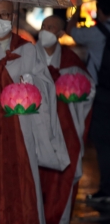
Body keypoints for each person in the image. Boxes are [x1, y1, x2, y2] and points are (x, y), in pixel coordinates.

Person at [0, 0, 69, 224]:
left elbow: (47, 86)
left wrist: (34, 84)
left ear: (13, 17)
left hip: (22, 128)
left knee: (22, 182)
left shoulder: (27, 50)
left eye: (5, 14)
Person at [37, 15, 94, 224]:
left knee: (60, 184)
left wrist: (71, 90)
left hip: (63, 132)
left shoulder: (71, 61)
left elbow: (88, 90)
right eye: (44, 26)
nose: (46, 30)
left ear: (60, 34)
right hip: (35, 133)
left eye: (51, 27)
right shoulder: (26, 56)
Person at [67, 0, 110, 203]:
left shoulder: (95, 33)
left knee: (103, 143)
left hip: (102, 94)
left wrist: (77, 8)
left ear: (101, 11)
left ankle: (106, 189)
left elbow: (70, 31)